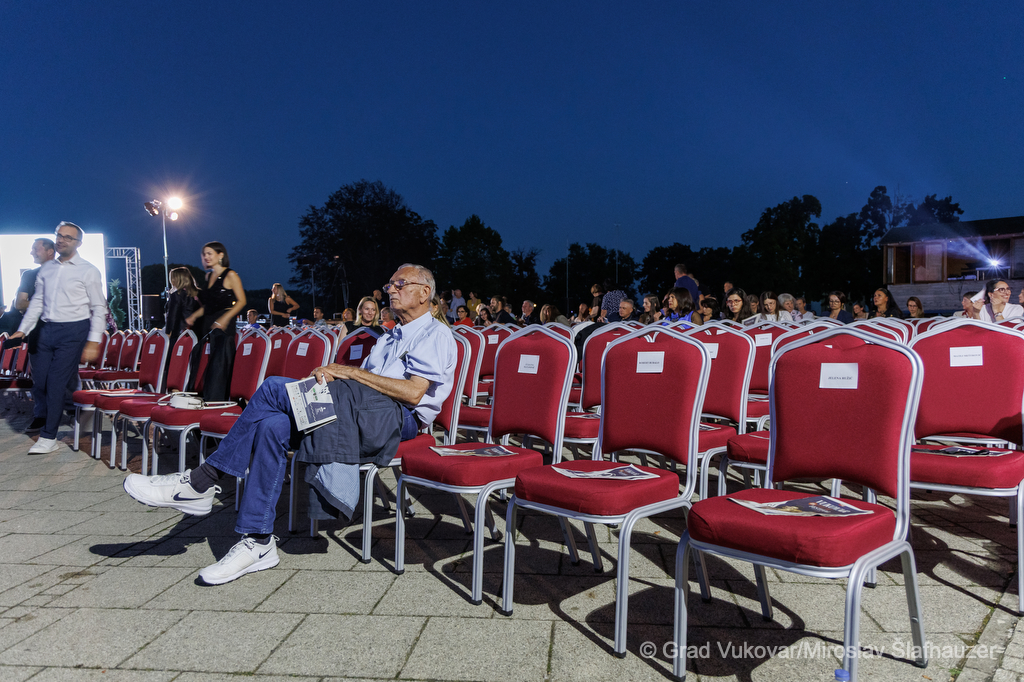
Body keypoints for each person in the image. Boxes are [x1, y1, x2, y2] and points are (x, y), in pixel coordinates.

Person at [123, 263, 457, 585]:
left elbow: (413, 392)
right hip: (359, 409)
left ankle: (201, 481)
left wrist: (348, 372)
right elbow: (365, 384)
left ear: (424, 293)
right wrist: (336, 376)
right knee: (272, 427)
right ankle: (258, 541)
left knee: (272, 388)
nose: (392, 290)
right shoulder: (389, 336)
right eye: (390, 285)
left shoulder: (435, 334)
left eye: (400, 284)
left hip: (397, 419)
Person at [10, 222, 107, 454]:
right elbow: (37, 302)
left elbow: (99, 307)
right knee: (41, 382)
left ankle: (48, 436)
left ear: (78, 243)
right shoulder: (47, 270)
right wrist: (23, 330)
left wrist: (94, 340)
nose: (61, 240)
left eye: (68, 237)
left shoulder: (89, 270)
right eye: (59, 236)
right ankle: (64, 416)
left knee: (56, 383)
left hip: (73, 331)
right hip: (44, 330)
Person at [185, 242, 247, 402]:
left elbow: (242, 301)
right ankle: (201, 401)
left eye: (209, 253)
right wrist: (194, 316)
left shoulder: (230, 275)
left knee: (218, 367)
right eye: (204, 254)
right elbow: (208, 306)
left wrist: (224, 319)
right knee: (203, 364)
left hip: (223, 327)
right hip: (208, 325)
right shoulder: (208, 276)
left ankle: (217, 402)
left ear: (220, 255)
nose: (206, 257)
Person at [12, 238, 57, 433]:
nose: (31, 252)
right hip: (38, 335)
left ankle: (74, 413)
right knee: (40, 380)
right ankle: (41, 416)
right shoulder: (29, 275)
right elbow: (20, 303)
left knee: (69, 378)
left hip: (65, 334)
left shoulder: (67, 272)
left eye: (35, 249)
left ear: (50, 251)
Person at [164, 267, 200, 342]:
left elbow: (172, 317)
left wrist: (168, 334)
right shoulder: (199, 293)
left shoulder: (177, 295)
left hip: (179, 334)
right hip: (197, 334)